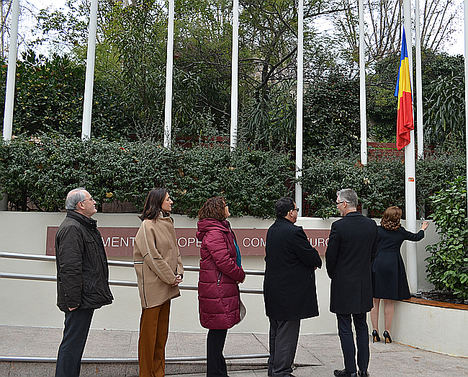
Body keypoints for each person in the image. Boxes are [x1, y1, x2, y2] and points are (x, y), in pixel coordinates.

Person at [55, 188, 113, 377]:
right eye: (90, 199)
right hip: (78, 300)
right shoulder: (72, 228)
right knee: (72, 346)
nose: (94, 202)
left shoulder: (81, 226)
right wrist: (72, 301)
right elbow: (70, 268)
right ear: (80, 205)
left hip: (82, 298)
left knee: (75, 345)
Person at [263, 197, 322, 377]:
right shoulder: (294, 232)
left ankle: (274, 368)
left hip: (273, 290)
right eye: (296, 210)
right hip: (290, 293)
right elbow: (311, 257)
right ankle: (282, 371)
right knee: (287, 334)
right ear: (290, 212)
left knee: (276, 331)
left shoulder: (272, 230)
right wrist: (313, 262)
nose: (297, 213)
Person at [326, 189, 377, 377]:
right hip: (363, 283)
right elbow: (373, 253)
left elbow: (331, 257)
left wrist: (335, 275)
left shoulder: (339, 226)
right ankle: (363, 370)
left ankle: (350, 370)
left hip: (343, 283)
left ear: (345, 204)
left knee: (345, 326)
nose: (337, 206)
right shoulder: (371, 225)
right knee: (362, 326)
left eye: (338, 203)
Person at [133, 188, 184, 377]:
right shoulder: (147, 226)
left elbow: (175, 251)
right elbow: (152, 256)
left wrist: (179, 272)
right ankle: (146, 373)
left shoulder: (167, 223)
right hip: (154, 288)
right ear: (158, 202)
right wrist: (171, 277)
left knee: (161, 336)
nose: (171, 202)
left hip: (167, 286)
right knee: (149, 337)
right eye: (168, 199)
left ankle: (158, 372)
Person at [196, 196, 245, 377]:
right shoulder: (215, 233)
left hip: (220, 287)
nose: (228, 207)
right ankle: (215, 373)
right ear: (218, 210)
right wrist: (240, 275)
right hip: (217, 288)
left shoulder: (222, 229)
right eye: (225, 205)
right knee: (217, 333)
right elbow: (223, 261)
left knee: (218, 332)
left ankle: (219, 372)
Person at [370, 206, 429, 344]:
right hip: (393, 265)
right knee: (389, 301)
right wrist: (423, 228)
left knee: (375, 300)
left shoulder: (377, 231)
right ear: (398, 218)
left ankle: (374, 331)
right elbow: (416, 237)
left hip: (377, 264)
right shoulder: (400, 232)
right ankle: (387, 332)